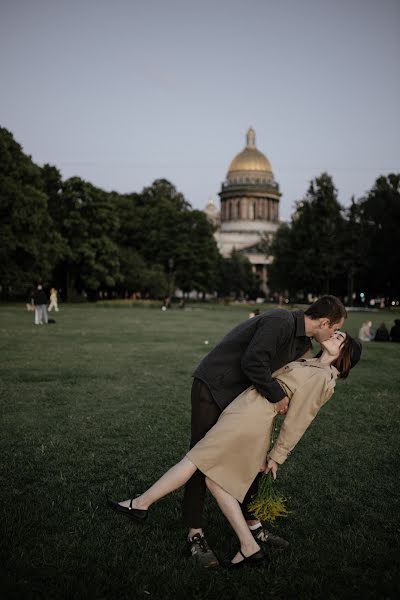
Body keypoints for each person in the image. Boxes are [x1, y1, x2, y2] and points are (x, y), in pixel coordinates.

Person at [108, 331, 361, 568]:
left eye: (340, 337)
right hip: (249, 413)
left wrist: (277, 456)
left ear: (345, 353)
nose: (334, 334)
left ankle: (141, 504)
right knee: (217, 482)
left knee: (195, 458)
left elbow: (299, 421)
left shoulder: (322, 377)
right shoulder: (312, 364)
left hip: (250, 418)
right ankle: (249, 546)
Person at [179, 294, 347, 566]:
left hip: (245, 399)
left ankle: (253, 525)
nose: (335, 333)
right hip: (215, 386)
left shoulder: (303, 342)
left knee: (255, 463)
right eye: (335, 329)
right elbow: (253, 363)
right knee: (201, 457)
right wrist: (277, 396)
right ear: (325, 322)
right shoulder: (280, 321)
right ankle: (194, 534)